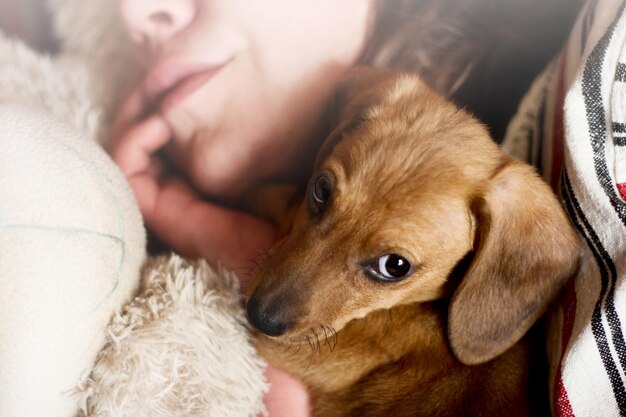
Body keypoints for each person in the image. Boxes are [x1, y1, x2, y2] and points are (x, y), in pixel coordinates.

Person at [107, 0, 581, 415]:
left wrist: (185, 215)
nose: (270, 305)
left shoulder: (472, 313)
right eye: (320, 195)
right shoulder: (387, 113)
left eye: (392, 266)